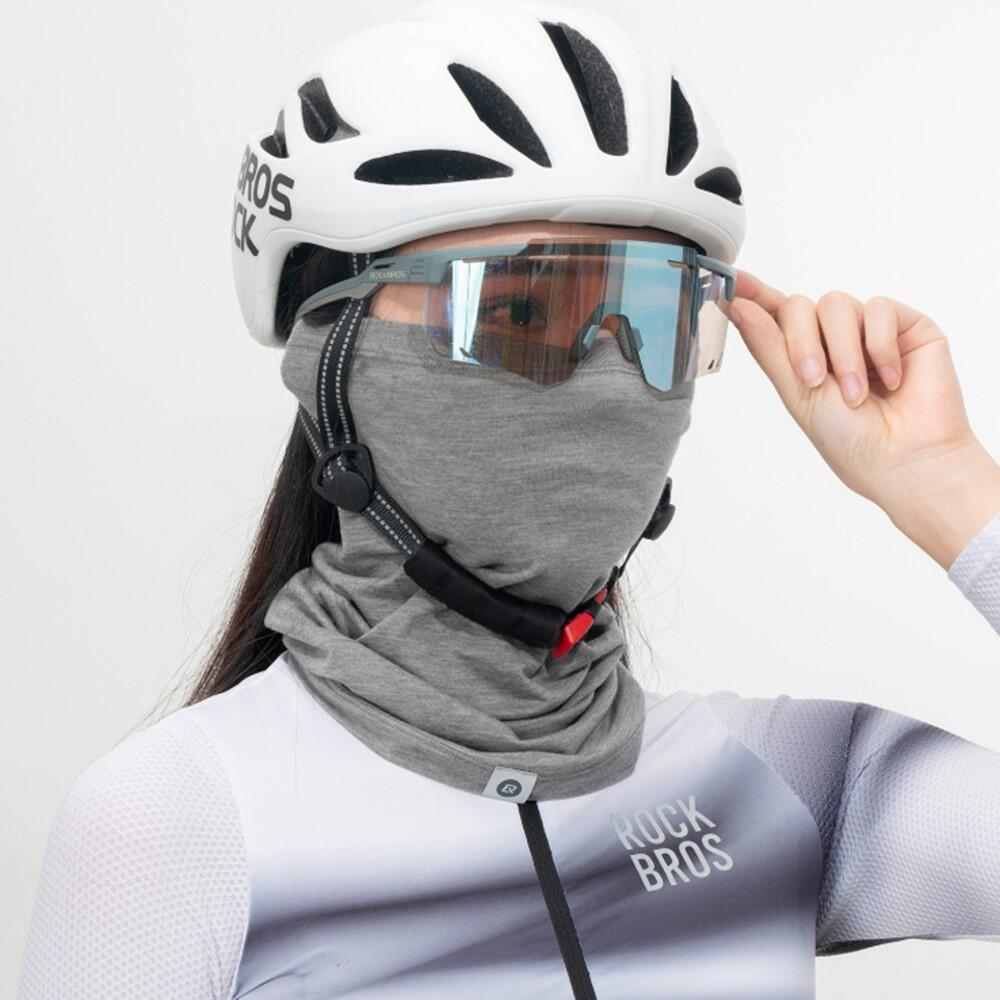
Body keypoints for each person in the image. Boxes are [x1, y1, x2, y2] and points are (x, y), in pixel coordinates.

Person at [16, 2, 1000, 999]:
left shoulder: (778, 783)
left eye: (653, 315)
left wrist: (947, 484)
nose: (609, 379)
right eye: (516, 309)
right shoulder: (179, 820)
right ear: (332, 359)